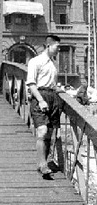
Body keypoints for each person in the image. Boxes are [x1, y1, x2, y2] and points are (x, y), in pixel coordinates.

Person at [26, 34, 62, 177]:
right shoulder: (35, 61)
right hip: (39, 97)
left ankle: (43, 162)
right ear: (48, 45)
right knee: (42, 130)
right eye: (57, 47)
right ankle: (42, 165)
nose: (58, 50)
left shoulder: (53, 64)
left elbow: (52, 84)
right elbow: (31, 84)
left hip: (52, 98)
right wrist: (41, 100)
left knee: (49, 134)